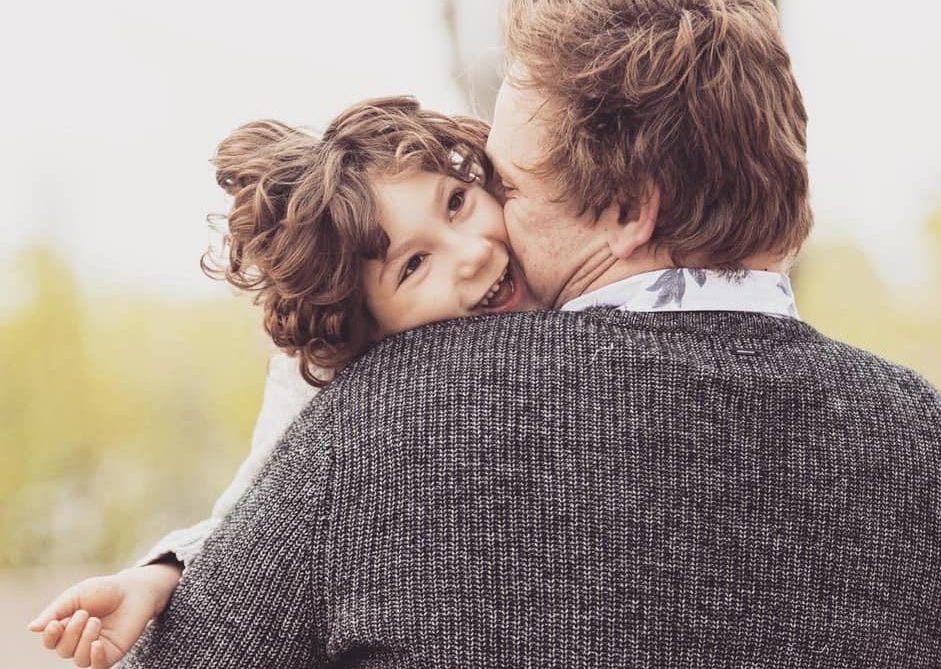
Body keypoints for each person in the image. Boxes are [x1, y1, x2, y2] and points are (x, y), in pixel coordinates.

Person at [41, 0, 941, 666]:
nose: (483, 241)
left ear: (626, 210)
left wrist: (168, 578)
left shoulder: (388, 417)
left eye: (497, 185)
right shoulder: (917, 434)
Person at [27, 95, 539, 668]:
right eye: (413, 266)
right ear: (359, 328)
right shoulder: (332, 392)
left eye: (457, 203)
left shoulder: (558, 249)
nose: (471, 253)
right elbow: (250, 518)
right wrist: (158, 579)